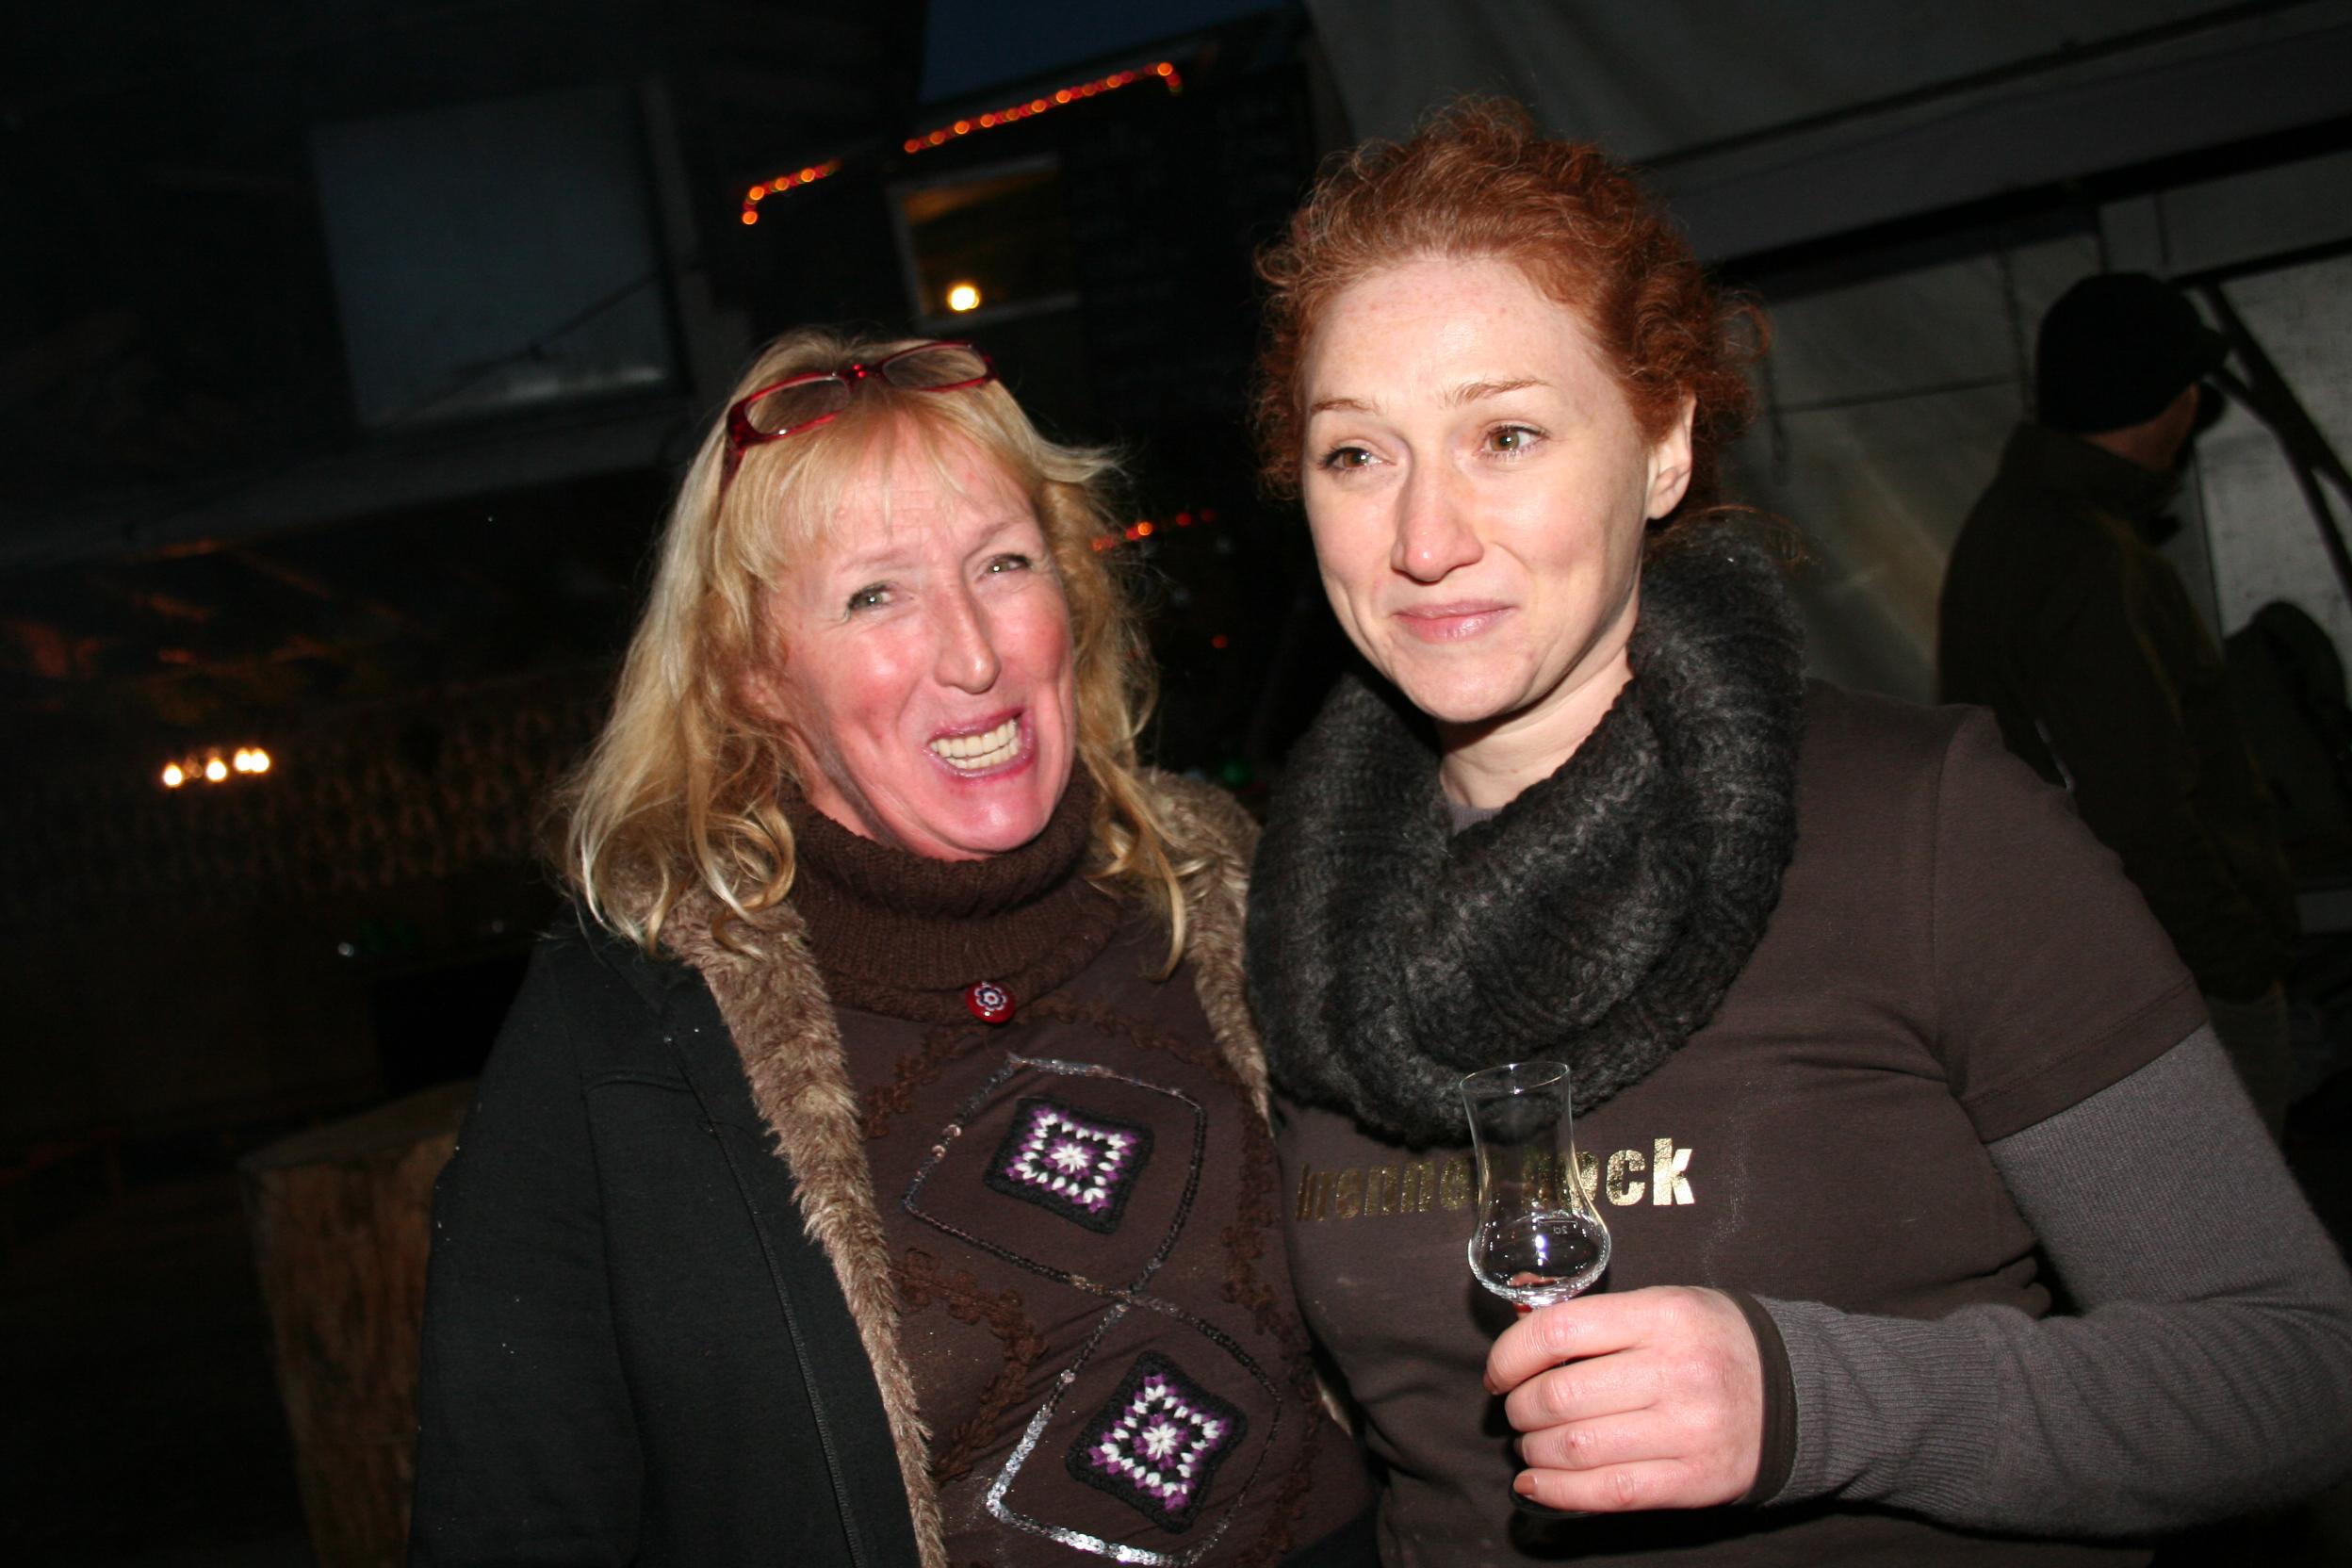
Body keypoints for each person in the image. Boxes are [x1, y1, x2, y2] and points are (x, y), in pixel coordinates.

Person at [1241, 99, 2352, 1567]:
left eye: (1505, 435)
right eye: (1355, 456)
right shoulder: (1301, 926)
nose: (1424, 538)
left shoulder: (1922, 824)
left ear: (1662, 447)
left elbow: (2295, 1368)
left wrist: (1818, 1402)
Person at [408, 331, 1375, 1566]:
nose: (974, 654)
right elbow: (515, 1516)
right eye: (877, 594)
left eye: (1004, 563)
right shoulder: (624, 1035)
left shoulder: (1221, 886)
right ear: (754, 673)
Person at [1939, 271, 2298, 1134]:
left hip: (2114, 968)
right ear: (2168, 400)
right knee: (2221, 1209)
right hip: (2166, 977)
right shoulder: (2082, 556)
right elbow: (2137, 804)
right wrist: (2237, 965)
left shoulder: (2030, 528)